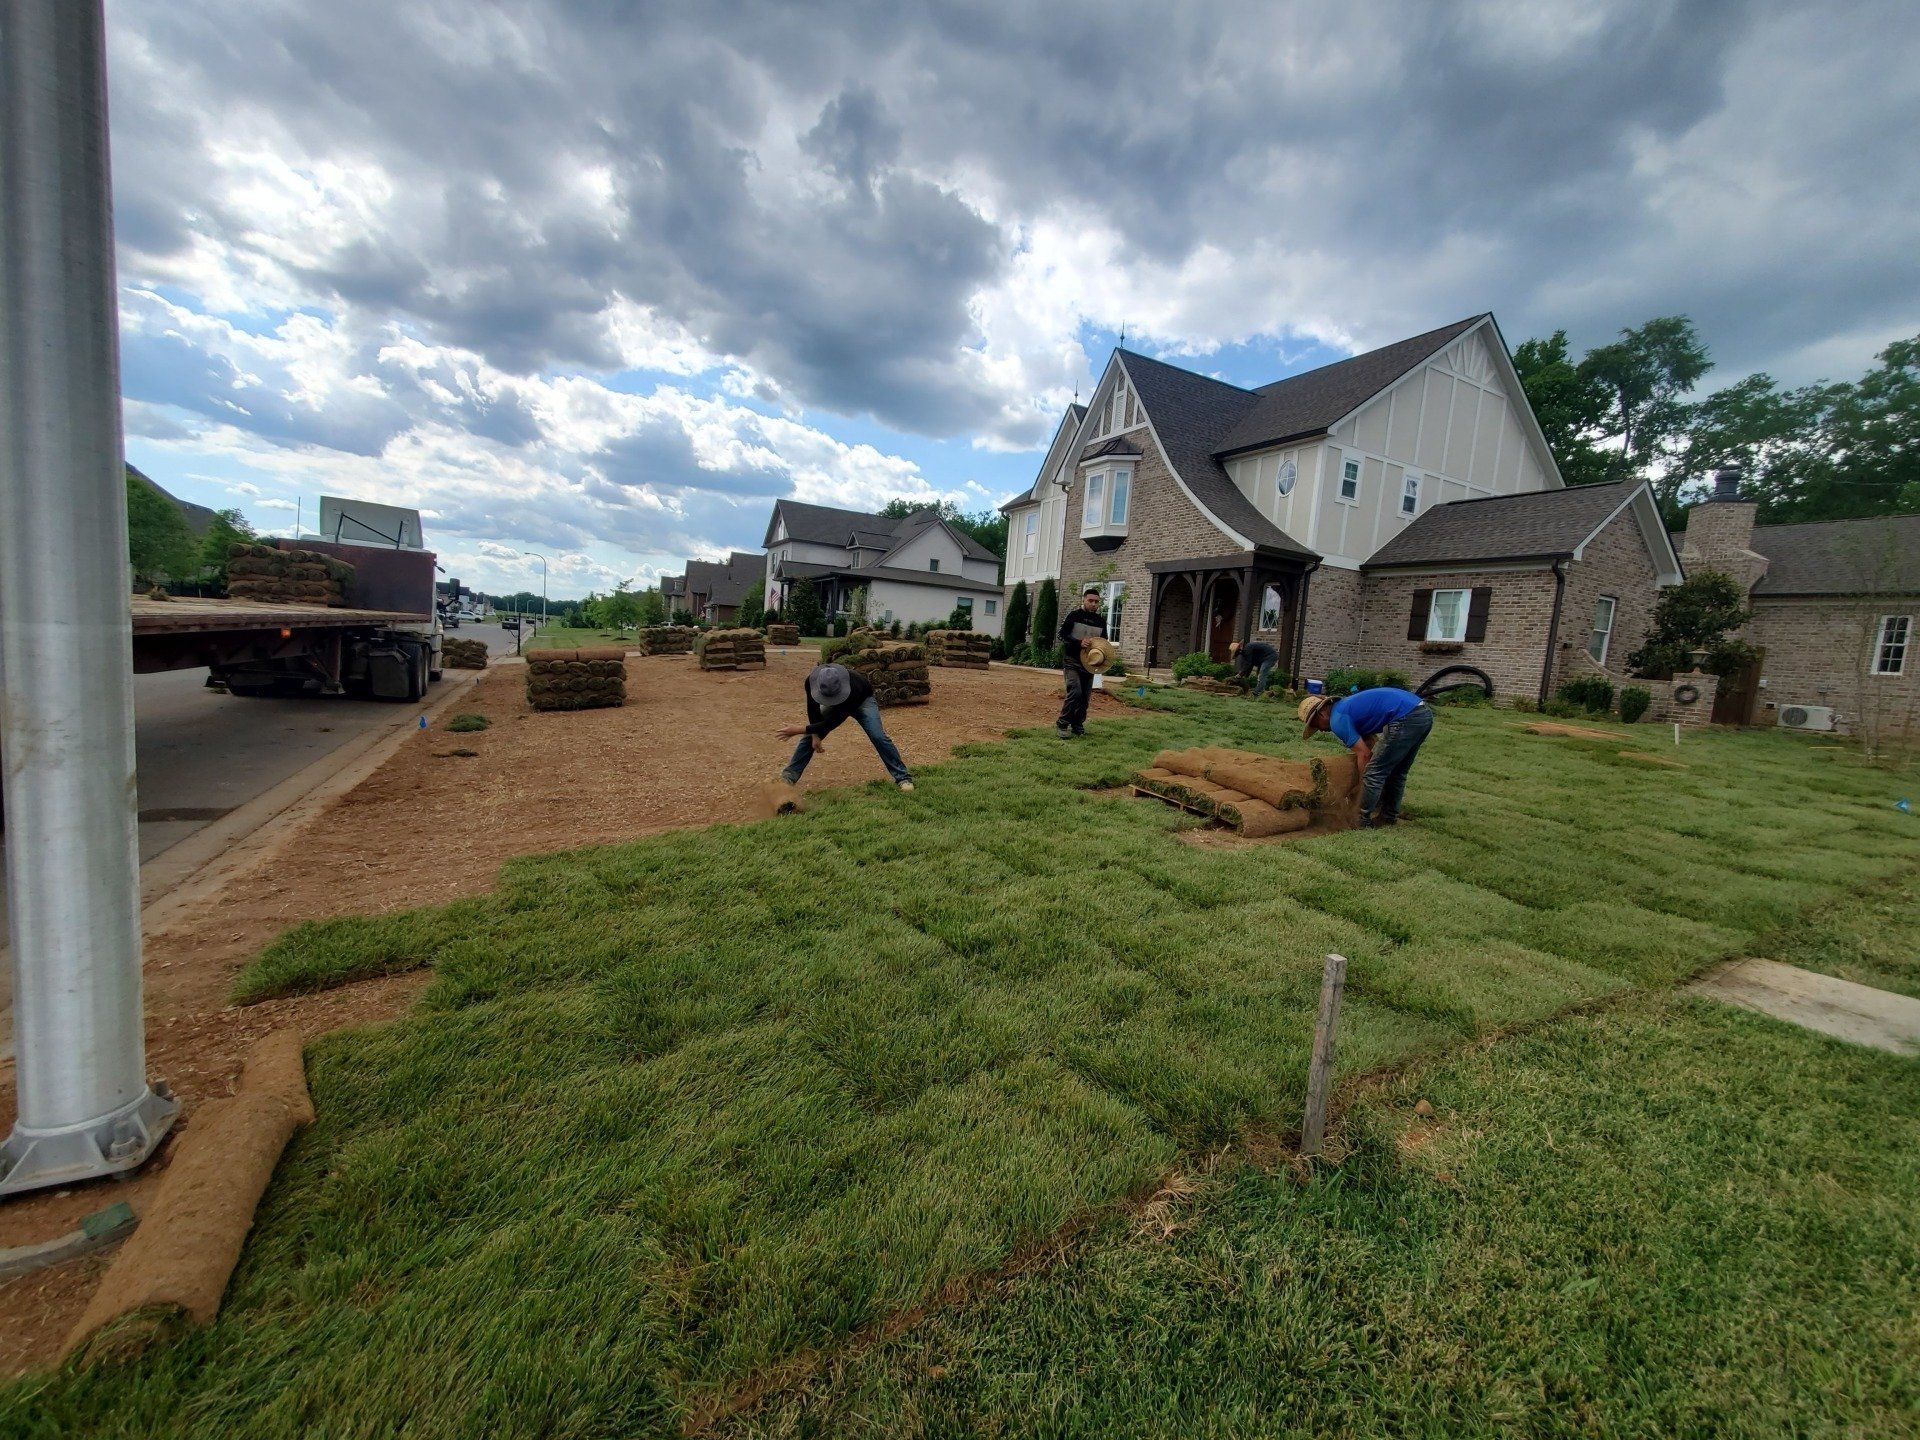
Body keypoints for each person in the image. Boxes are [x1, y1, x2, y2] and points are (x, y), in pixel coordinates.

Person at [1300, 685, 1432, 827]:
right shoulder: (1345, 706)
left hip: (1405, 717)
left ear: (1321, 714)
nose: (1320, 730)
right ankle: (1388, 816)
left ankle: (1361, 819)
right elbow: (1370, 742)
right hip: (1423, 713)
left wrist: (1361, 784)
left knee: (1373, 772)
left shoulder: (1337, 720)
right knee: (1397, 772)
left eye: (1316, 725)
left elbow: (1364, 754)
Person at [777, 662, 914, 791]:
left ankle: (903, 777)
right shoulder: (811, 682)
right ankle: (788, 778)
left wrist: (797, 730)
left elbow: (829, 723)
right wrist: (814, 736)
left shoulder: (854, 687)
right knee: (809, 738)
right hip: (843, 704)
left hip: (863, 702)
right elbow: (813, 711)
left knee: (878, 736)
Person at [1057, 586, 1107, 738]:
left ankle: (1077, 725)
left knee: (1085, 697)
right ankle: (1063, 724)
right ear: (1084, 600)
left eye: (1096, 601)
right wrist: (1078, 642)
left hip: (1090, 664)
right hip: (1072, 660)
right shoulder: (1074, 616)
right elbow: (1062, 635)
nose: (1093, 604)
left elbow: (1104, 642)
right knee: (1075, 691)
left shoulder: (1100, 621)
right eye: (1090, 600)